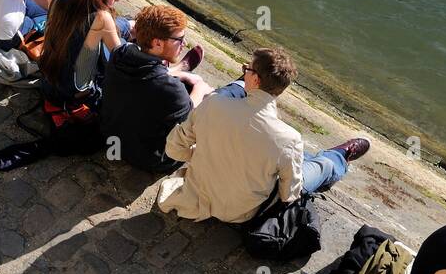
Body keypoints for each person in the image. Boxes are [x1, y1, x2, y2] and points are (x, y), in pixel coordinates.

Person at [158, 44, 369, 223]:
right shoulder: (289, 138)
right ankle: (339, 157)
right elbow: (289, 195)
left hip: (196, 194)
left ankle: (331, 158)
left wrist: (203, 154)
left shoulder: (213, 104)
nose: (244, 71)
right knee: (315, 168)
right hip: (238, 212)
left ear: (256, 80)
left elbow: (174, 148)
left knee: (286, 157)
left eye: (247, 69)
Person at [99, 4, 224, 174]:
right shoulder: (171, 88)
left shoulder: (120, 53)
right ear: (157, 43)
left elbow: (147, 81)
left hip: (110, 137)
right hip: (149, 158)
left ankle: (179, 71)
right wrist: (200, 90)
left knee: (176, 89)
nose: (184, 43)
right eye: (179, 39)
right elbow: (190, 117)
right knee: (211, 102)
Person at [39, 0, 133, 110]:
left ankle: (131, 24)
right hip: (71, 93)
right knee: (122, 41)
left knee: (124, 25)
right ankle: (133, 26)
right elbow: (120, 60)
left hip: (48, 80)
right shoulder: (101, 17)